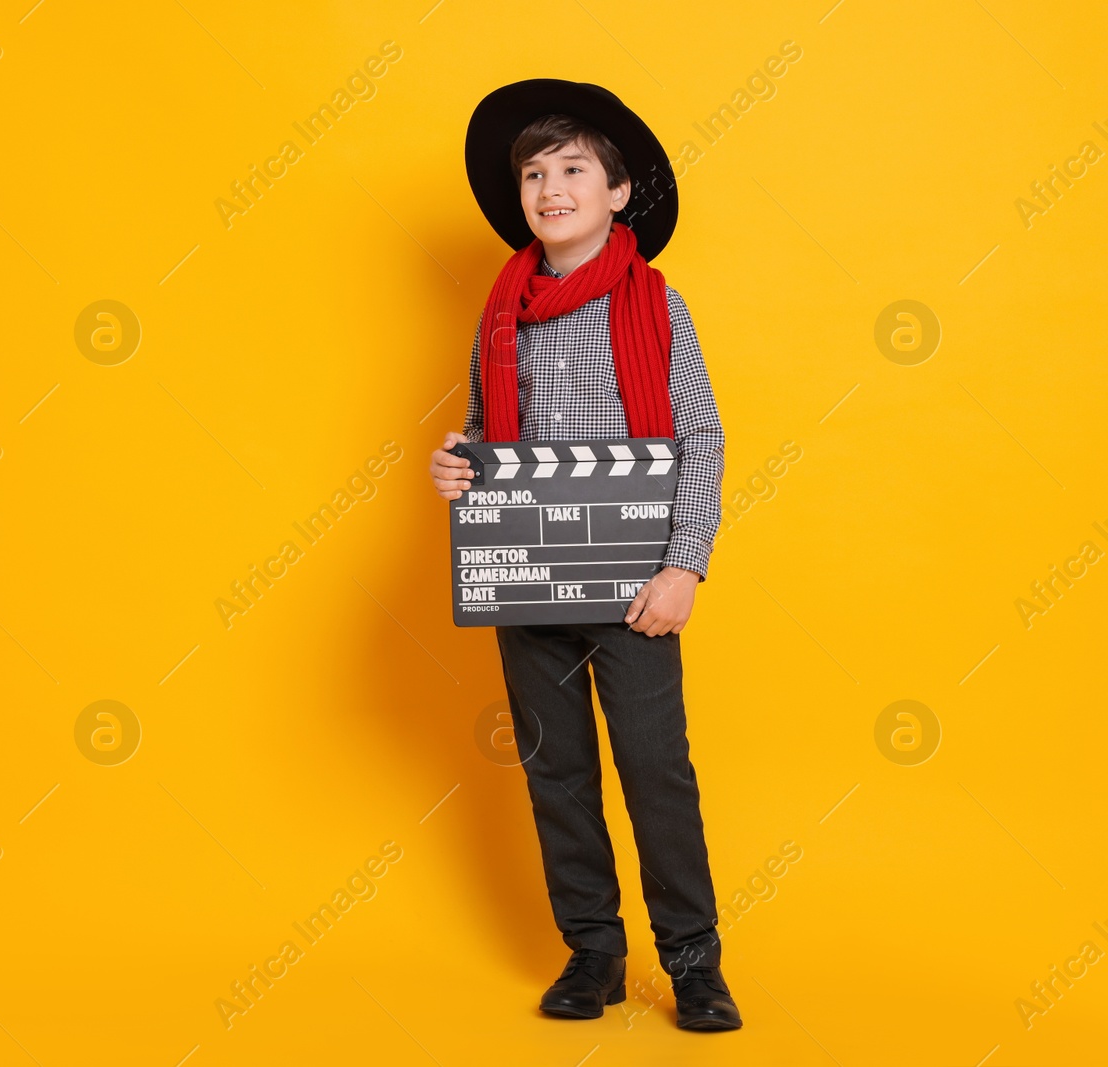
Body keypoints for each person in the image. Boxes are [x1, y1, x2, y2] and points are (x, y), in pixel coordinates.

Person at [430, 80, 739, 1031]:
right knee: (554, 771)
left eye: (573, 170)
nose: (550, 187)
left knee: (656, 770)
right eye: (534, 173)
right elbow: (492, 436)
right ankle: (593, 952)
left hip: (633, 584)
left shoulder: (656, 306)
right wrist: (459, 466)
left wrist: (683, 566)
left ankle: (693, 961)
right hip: (526, 578)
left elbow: (702, 437)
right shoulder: (501, 314)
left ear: (616, 195)